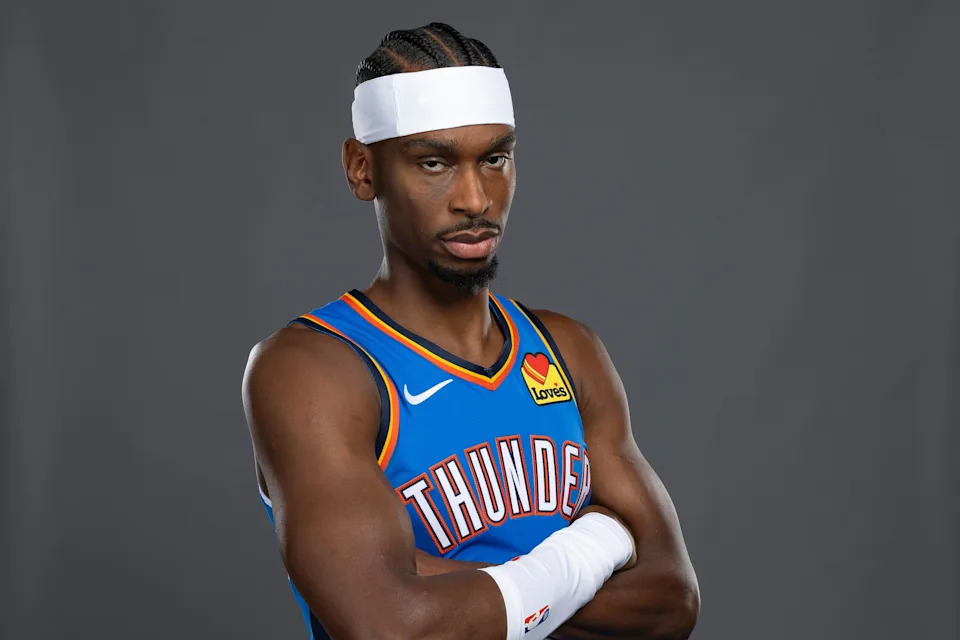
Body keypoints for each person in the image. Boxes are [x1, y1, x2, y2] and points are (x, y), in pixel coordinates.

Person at [243, 22, 699, 640]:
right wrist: (593, 550)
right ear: (362, 169)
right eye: (433, 162)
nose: (475, 198)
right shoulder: (314, 371)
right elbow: (391, 627)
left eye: (495, 159)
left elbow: (671, 602)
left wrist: (453, 589)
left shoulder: (569, 350)